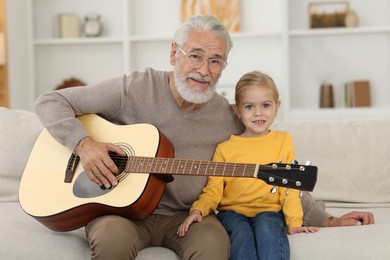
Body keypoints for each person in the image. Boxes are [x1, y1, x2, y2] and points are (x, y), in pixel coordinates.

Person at [34, 14, 374, 260]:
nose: (203, 70)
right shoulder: (133, 88)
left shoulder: (228, 117)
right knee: (110, 243)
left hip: (188, 216)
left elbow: (271, 171)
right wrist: (84, 144)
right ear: (173, 54)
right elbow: (51, 101)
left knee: (215, 247)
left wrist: (326, 219)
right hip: (120, 212)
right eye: (195, 55)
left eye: (216, 61)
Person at [177, 71, 319, 259]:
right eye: (249, 106)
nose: (258, 113)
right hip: (231, 213)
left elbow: (289, 188)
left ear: (277, 107)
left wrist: (294, 223)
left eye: (266, 105)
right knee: (241, 234)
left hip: (269, 212)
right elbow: (213, 190)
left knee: (267, 228)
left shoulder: (283, 140)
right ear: (237, 110)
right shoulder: (225, 148)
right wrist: (198, 210)